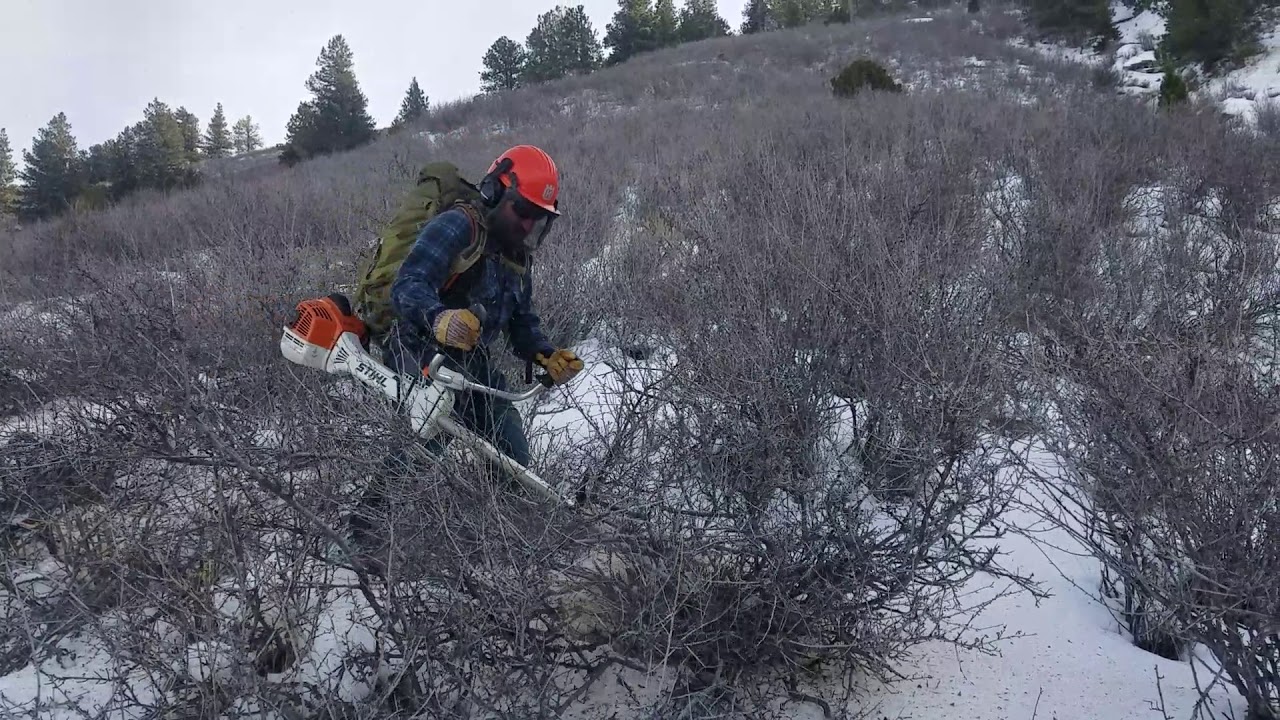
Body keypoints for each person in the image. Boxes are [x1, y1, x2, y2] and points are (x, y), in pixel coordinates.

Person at [347, 145, 584, 545]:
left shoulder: (515, 257)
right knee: (430, 429)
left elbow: (521, 322)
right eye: (522, 212)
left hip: (467, 360)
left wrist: (544, 352)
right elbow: (409, 286)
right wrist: (441, 318)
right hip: (415, 344)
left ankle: (495, 535)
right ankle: (362, 535)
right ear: (495, 192)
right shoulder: (459, 225)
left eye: (538, 219)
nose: (528, 226)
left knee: (510, 446)